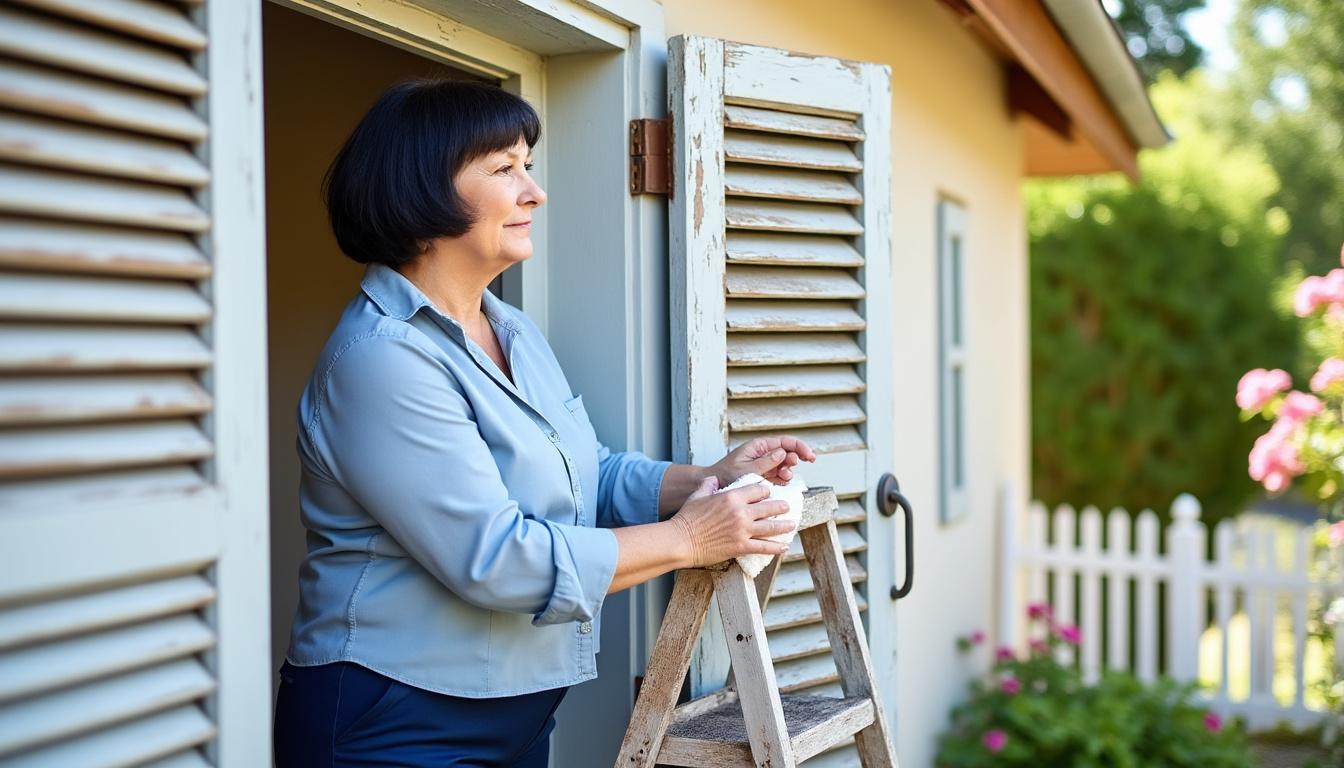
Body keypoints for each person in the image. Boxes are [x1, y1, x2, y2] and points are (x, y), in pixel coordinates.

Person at [273, 78, 816, 767]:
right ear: (420, 189)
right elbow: (497, 560)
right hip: (394, 717)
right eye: (505, 169)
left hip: (520, 709)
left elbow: (588, 468)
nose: (534, 191)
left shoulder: (511, 330)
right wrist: (688, 538)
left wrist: (708, 479)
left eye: (527, 166)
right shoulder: (380, 360)